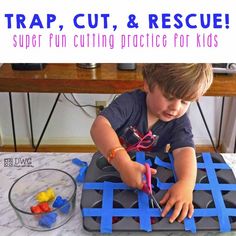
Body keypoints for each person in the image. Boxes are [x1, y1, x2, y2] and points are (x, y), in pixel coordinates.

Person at [90, 63, 213, 223]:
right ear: (148, 84)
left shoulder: (179, 121)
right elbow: (99, 127)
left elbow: (184, 151)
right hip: (113, 168)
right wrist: (124, 164)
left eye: (184, 101)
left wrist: (186, 183)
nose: (175, 107)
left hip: (147, 176)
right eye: (169, 96)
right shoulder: (130, 103)